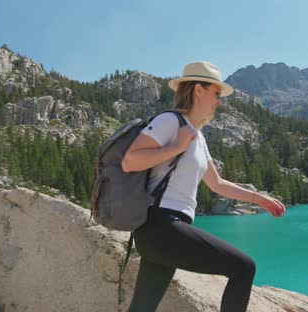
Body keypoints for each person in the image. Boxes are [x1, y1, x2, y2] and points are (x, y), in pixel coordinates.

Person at [122, 61, 286, 312]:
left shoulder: (197, 135)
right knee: (243, 268)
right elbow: (130, 160)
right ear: (198, 90)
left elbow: (217, 183)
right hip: (161, 225)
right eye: (216, 93)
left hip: (165, 232)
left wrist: (258, 199)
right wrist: (176, 146)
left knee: (143, 307)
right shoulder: (170, 121)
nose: (219, 101)